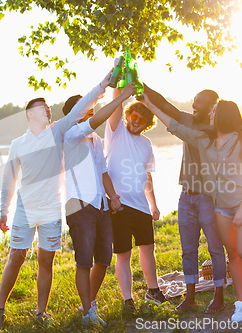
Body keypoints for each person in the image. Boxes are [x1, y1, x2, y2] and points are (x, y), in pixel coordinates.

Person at [141, 96, 242, 322]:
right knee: (233, 255)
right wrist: (149, 105)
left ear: (224, 115)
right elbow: (175, 126)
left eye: (215, 110)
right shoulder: (204, 140)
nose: (211, 113)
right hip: (221, 208)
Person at [0, 71, 111, 331]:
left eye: (48, 107)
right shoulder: (18, 144)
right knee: (17, 257)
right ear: (30, 115)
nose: (47, 109)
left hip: (52, 209)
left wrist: (103, 85)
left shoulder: (57, 132)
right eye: (40, 107)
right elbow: (9, 179)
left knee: (47, 261)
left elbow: (81, 106)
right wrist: (4, 210)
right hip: (25, 209)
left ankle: (41, 312)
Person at [143, 85, 227, 313]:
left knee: (215, 249)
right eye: (193, 100)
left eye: (198, 101)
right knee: (188, 249)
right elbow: (163, 104)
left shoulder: (216, 131)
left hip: (208, 198)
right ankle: (190, 298)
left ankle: (219, 296)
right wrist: (142, 86)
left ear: (212, 107)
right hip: (186, 196)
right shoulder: (188, 121)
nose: (193, 104)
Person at [62, 83, 137, 326]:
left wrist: (113, 197)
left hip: (101, 206)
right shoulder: (70, 135)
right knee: (84, 261)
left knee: (103, 260)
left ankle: (89, 306)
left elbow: (103, 171)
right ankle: (87, 313)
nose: (91, 110)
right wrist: (122, 96)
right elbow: (98, 119)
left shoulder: (93, 139)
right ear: (75, 113)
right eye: (86, 107)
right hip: (80, 207)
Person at [104, 82, 166, 314]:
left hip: (141, 206)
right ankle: (128, 300)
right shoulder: (115, 130)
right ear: (128, 114)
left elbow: (146, 176)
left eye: (141, 120)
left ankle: (153, 291)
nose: (135, 121)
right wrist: (120, 87)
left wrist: (153, 203)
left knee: (148, 248)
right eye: (133, 116)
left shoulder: (146, 144)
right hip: (119, 205)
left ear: (147, 124)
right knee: (123, 254)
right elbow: (115, 107)